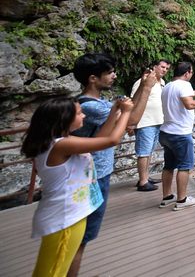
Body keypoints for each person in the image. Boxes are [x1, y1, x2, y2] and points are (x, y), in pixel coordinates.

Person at [21, 96, 134, 277]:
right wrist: (127, 112)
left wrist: (115, 111)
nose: (84, 116)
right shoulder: (61, 145)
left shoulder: (61, 141)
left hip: (70, 215)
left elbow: (100, 141)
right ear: (64, 119)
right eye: (80, 113)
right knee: (52, 272)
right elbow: (112, 140)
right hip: (64, 219)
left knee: (57, 268)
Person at [66, 53, 153, 277]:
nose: (114, 76)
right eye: (110, 72)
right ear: (93, 78)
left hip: (95, 174)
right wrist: (148, 89)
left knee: (79, 238)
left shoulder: (97, 103)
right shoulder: (92, 107)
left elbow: (127, 110)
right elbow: (131, 119)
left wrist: (142, 86)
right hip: (91, 177)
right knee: (79, 240)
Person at [158, 61, 195, 210]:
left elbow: (179, 97)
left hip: (166, 132)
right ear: (187, 73)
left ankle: (167, 197)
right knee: (184, 166)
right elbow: (189, 105)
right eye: (191, 73)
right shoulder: (185, 85)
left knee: (169, 166)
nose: (191, 75)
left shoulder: (168, 86)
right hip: (180, 134)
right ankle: (182, 200)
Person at [130, 59, 170, 191]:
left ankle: (146, 177)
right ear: (154, 67)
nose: (164, 70)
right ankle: (142, 182)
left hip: (157, 121)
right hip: (145, 121)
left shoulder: (162, 83)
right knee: (144, 152)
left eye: (167, 68)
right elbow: (134, 100)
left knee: (149, 151)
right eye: (162, 67)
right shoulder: (142, 82)